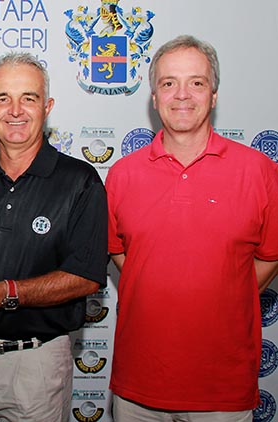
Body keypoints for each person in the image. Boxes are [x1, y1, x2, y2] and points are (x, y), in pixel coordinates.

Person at [106, 35, 278, 421]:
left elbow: (269, 257)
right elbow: (119, 253)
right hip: (139, 385)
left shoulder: (260, 171)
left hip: (223, 389)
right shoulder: (121, 175)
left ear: (213, 95)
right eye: (168, 83)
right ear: (154, 97)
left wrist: (221, 291)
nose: (182, 95)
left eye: (196, 82)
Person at [0, 52, 109, 421]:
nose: (15, 110)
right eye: (3, 98)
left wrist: (3, 293)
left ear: (47, 106)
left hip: (38, 365)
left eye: (28, 98)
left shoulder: (80, 181)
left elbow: (86, 276)